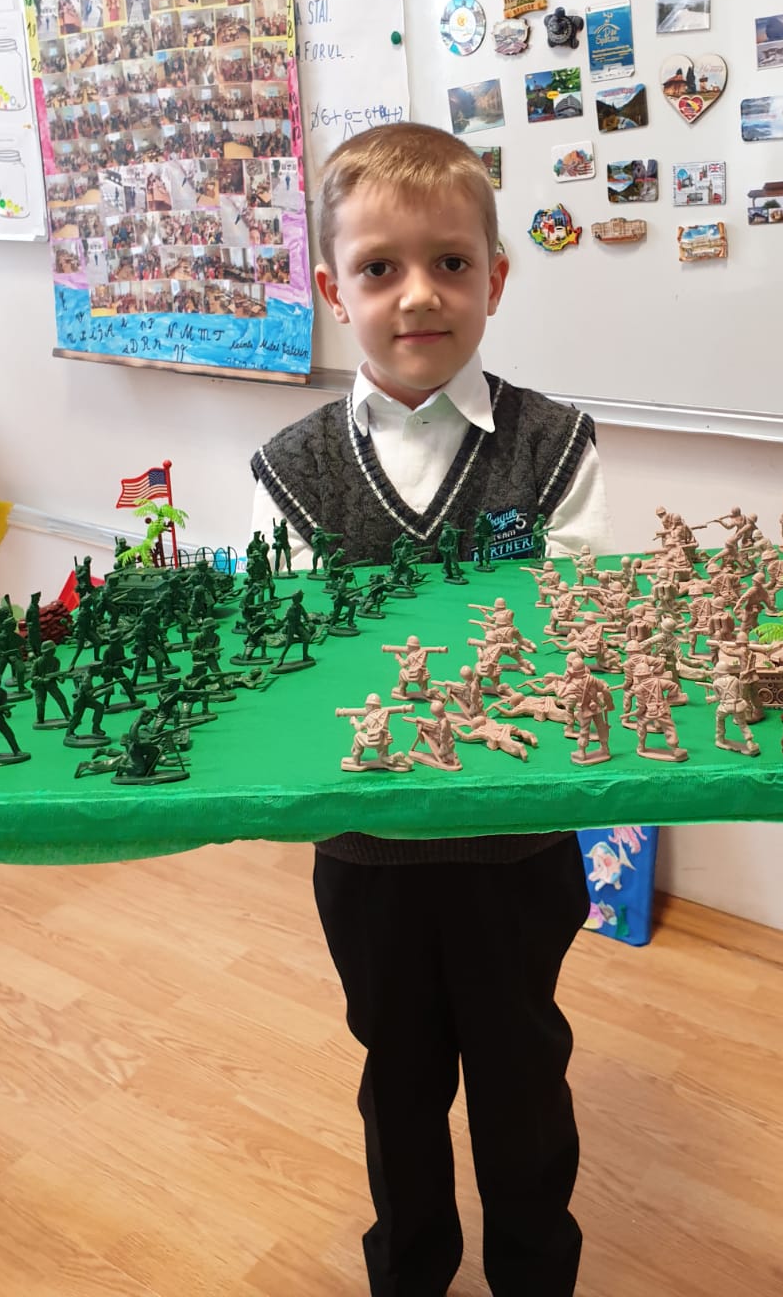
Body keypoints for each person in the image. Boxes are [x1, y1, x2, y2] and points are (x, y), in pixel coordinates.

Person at [249, 121, 611, 1297]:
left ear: (495, 278)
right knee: (397, 1074)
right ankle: (409, 1270)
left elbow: (568, 624)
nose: (419, 294)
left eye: (451, 262)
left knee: (523, 1073)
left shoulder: (557, 445)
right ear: (331, 290)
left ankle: (535, 1276)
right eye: (379, 267)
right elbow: (297, 654)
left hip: (518, 844)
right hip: (369, 850)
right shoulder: (288, 469)